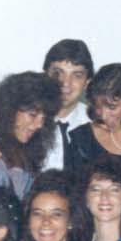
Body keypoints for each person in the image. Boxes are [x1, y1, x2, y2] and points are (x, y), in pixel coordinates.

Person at [0, 71, 53, 199]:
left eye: (44, 118)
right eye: (33, 115)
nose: (39, 125)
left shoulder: (31, 150)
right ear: (9, 108)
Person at [40, 37, 94, 172]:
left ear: (87, 83)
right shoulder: (24, 119)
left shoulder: (95, 122)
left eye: (77, 75)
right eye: (57, 73)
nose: (65, 83)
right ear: (44, 75)